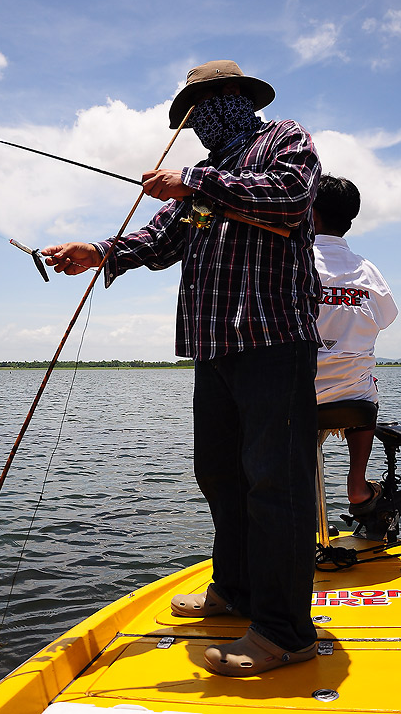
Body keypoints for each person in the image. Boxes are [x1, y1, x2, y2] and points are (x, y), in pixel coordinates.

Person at [43, 60, 322, 677]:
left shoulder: (284, 141)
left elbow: (291, 202)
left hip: (274, 342)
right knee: (221, 474)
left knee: (277, 486)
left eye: (199, 111)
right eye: (188, 118)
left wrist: (197, 185)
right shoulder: (204, 176)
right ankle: (235, 591)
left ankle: (284, 631)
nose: (194, 126)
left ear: (231, 99)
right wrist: (100, 251)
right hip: (213, 346)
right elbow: (163, 238)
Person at [313, 174, 398, 515]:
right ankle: (358, 484)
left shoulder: (294, 262)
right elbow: (387, 315)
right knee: (368, 387)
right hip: (354, 400)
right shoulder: (367, 269)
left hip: (299, 396)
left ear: (310, 212)